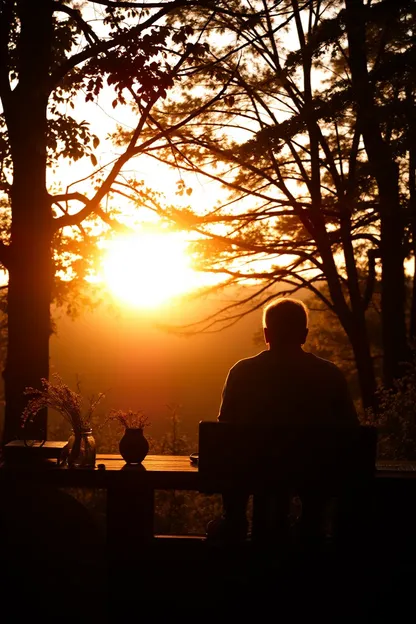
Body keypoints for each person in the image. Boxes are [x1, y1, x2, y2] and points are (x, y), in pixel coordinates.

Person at [206, 296, 359, 542]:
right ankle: (311, 522)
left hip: (252, 472)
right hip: (312, 475)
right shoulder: (329, 375)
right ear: (304, 334)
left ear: (267, 334)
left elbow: (225, 432)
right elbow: (351, 432)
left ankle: (234, 518)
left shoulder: (242, 373)